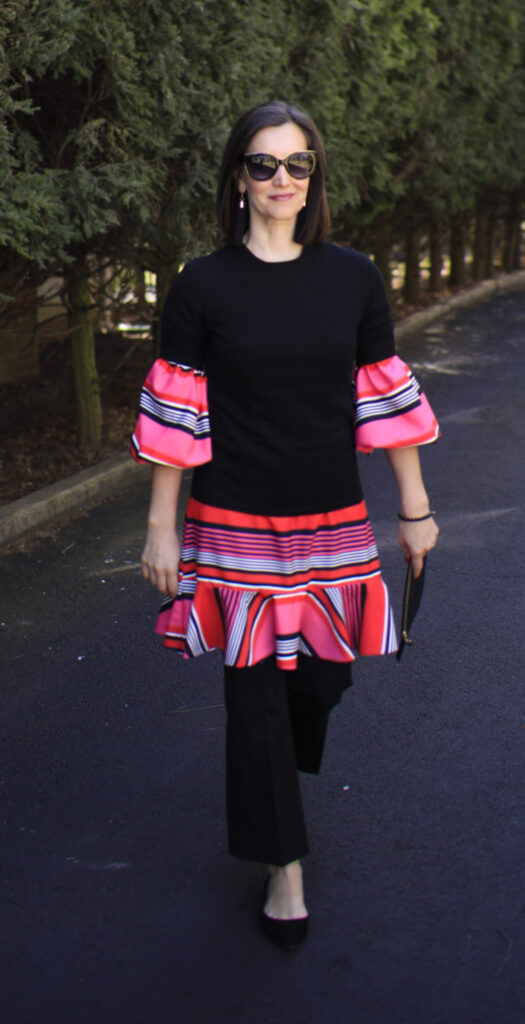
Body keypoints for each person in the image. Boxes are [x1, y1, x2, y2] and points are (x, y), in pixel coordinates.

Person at [131, 100, 439, 950]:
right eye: (263, 165)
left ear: (314, 178)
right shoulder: (201, 284)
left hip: (333, 521)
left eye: (296, 164)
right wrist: (163, 528)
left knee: (320, 682)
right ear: (238, 177)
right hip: (231, 522)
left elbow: (383, 397)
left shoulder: (352, 277)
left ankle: (284, 794)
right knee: (256, 697)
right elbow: (176, 413)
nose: (280, 180)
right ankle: (283, 868)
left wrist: (414, 512)